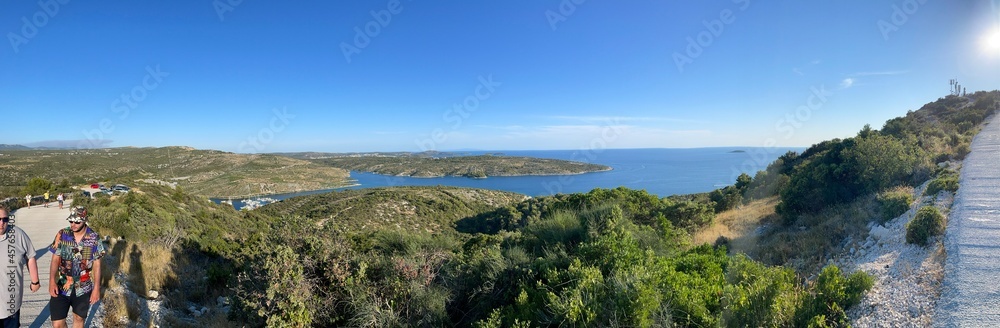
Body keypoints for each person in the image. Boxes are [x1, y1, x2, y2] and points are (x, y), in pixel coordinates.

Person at [49, 206, 105, 328]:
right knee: (57, 324)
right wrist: (51, 281)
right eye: (71, 221)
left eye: (77, 222)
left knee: (78, 318)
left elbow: (97, 264)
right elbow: (55, 259)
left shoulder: (94, 237)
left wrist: (96, 288)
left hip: (83, 286)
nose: (73, 224)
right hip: (62, 284)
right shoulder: (62, 234)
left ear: (85, 220)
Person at [0, 207, 42, 328]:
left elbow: (31, 257)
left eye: (5, 219)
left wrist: (35, 281)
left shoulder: (18, 234)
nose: (1, 223)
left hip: (11, 300)